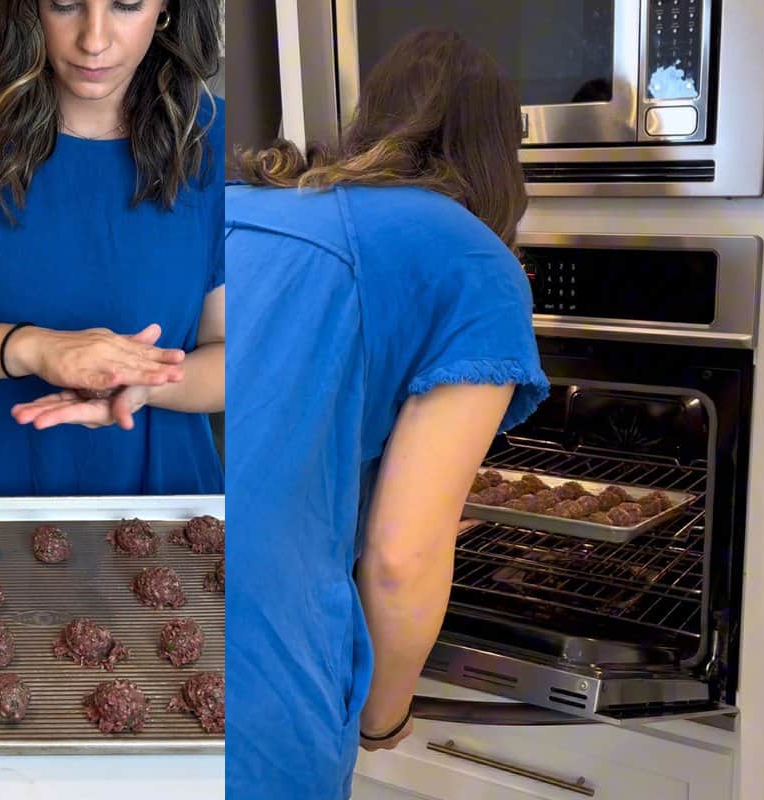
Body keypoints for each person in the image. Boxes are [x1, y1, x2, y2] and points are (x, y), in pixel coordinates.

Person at [225, 30, 550, 799]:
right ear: (502, 149)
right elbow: (401, 557)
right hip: (262, 677)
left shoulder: (250, 204)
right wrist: (381, 717)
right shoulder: (473, 261)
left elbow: (271, 406)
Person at [0, 0, 224, 497]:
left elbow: (231, 353)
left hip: (166, 497)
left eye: (126, 5)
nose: (93, 39)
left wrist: (142, 386)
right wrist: (34, 348)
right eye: (65, 4)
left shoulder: (211, 137)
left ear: (167, 9)